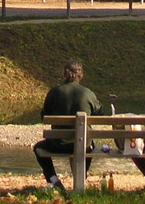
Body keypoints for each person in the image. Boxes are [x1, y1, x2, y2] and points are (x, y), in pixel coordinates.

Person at [33, 60, 101, 194]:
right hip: (82, 144)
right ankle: (81, 176)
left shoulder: (54, 92)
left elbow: (44, 116)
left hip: (58, 143)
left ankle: (54, 181)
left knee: (38, 147)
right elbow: (99, 113)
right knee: (89, 144)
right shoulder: (88, 93)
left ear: (64, 74)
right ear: (81, 75)